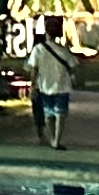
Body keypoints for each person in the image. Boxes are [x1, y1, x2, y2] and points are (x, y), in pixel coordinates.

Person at [25, 21, 77, 149]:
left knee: (48, 113)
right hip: (62, 85)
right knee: (61, 113)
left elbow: (33, 69)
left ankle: (53, 137)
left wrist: (33, 85)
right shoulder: (63, 51)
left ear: (46, 32)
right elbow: (73, 66)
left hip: (44, 85)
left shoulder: (38, 50)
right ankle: (57, 140)